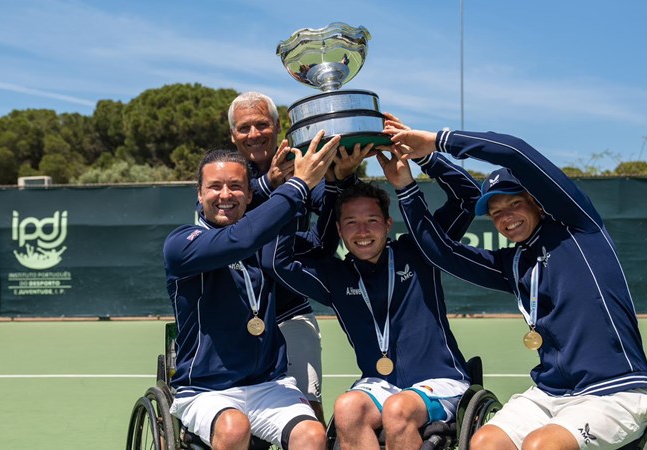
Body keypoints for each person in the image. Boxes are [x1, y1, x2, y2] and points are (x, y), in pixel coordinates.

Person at [385, 126, 647, 450]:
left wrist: (434, 147)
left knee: (541, 446)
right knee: (484, 441)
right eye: (496, 213)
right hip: (549, 395)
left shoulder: (579, 227)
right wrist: (404, 186)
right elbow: (442, 252)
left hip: (613, 393)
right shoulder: (514, 264)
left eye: (514, 204)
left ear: (536, 203)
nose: (506, 217)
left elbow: (515, 151)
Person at [262, 142, 481, 450]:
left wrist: (423, 159)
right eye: (351, 223)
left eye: (371, 221)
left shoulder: (420, 252)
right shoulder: (334, 276)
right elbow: (276, 261)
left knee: (398, 409)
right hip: (379, 385)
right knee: (347, 408)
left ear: (388, 224)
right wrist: (295, 190)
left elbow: (470, 197)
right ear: (339, 230)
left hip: (440, 382)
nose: (362, 231)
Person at [162, 130, 339, 450]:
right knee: (233, 428)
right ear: (199, 195)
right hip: (205, 389)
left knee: (312, 436)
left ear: (248, 195)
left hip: (269, 384)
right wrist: (297, 186)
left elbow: (318, 246)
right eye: (214, 187)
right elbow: (238, 240)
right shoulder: (182, 244)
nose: (225, 194)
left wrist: (339, 180)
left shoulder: (266, 244)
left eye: (235, 187)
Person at [227, 91, 368, 424]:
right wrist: (268, 185)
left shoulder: (306, 164)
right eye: (244, 128)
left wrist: (342, 179)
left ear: (279, 127)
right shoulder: (228, 172)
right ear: (233, 136)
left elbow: (335, 212)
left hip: (292, 312)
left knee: (309, 413)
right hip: (234, 316)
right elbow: (215, 216)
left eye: (262, 124)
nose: (254, 134)